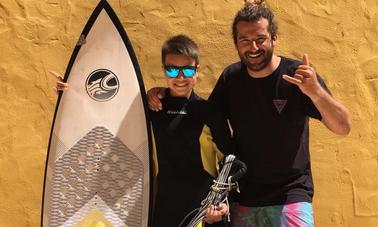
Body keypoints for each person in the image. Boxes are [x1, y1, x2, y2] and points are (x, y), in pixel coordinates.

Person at [147, 1, 351, 226]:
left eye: (260, 38)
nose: (253, 47)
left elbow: (343, 126)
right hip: (243, 199)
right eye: (244, 39)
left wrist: (317, 93)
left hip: (290, 197)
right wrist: (160, 95)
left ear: (274, 37)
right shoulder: (231, 78)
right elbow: (201, 117)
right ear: (236, 43)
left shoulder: (297, 76)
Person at [51, 34, 247, 227]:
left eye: (187, 71)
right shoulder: (151, 109)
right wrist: (72, 92)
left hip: (202, 210)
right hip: (160, 209)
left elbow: (230, 161)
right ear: (163, 70)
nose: (180, 77)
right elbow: (105, 112)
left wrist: (221, 204)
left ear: (197, 70)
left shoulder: (209, 112)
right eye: (172, 70)